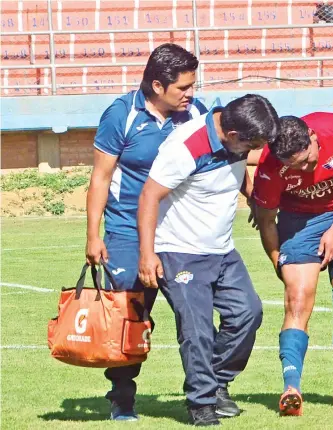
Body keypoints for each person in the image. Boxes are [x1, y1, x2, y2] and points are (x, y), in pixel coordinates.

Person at [137, 94, 279, 426]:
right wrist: (147, 254)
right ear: (233, 135)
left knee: (248, 313)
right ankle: (201, 404)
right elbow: (149, 196)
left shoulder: (236, 144)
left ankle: (215, 382)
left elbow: (237, 170)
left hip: (223, 250)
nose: (254, 152)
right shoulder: (185, 147)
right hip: (180, 251)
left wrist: (254, 199)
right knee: (197, 328)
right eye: (253, 145)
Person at [85, 43, 205, 421]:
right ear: (157, 85)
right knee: (132, 315)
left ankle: (206, 395)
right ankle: (122, 395)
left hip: (181, 231)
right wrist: (93, 235)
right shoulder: (120, 115)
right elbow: (100, 178)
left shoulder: (195, 114)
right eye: (183, 88)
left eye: (192, 86)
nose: (191, 94)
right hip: (126, 232)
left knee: (197, 314)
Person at [252, 113, 333, 416]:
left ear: (313, 137)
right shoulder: (270, 166)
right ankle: (291, 388)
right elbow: (266, 220)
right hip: (298, 221)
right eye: (296, 167)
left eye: (308, 160)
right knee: (297, 299)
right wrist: (278, 262)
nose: (307, 169)